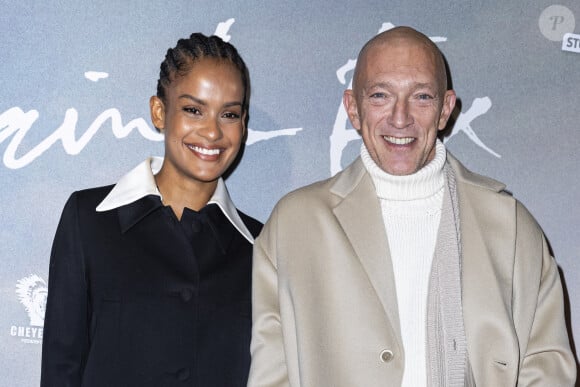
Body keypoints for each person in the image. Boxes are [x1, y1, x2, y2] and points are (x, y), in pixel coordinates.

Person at [248, 26, 576, 387]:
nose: (400, 118)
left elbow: (547, 367)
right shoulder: (295, 225)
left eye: (421, 97)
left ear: (445, 109)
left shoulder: (510, 227)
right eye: (380, 96)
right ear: (353, 109)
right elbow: (271, 372)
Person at [40, 33, 262, 387]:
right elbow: (60, 369)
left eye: (229, 114)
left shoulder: (261, 245)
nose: (212, 131)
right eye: (193, 109)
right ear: (160, 112)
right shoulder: (88, 220)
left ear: (243, 123)